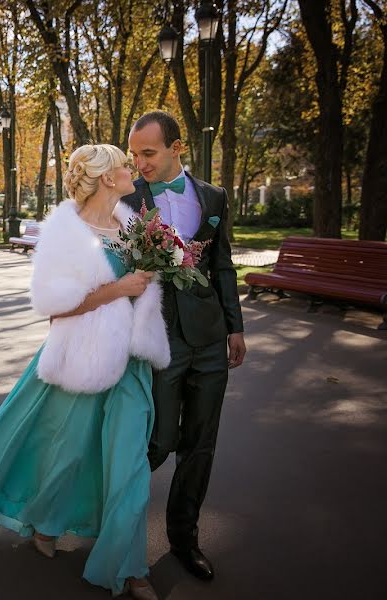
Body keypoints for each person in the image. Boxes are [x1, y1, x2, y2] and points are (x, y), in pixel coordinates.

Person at [0, 144, 168, 599]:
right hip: (86, 357)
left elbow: (145, 284)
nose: (131, 170)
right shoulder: (64, 232)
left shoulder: (133, 223)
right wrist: (117, 289)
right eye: (123, 165)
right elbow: (55, 310)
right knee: (66, 456)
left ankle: (130, 567)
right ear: (105, 177)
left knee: (130, 466)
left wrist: (156, 274)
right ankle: (45, 522)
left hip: (133, 361)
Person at [123, 111, 246, 582]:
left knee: (200, 445)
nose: (140, 164)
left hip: (211, 338)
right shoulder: (127, 198)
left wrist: (235, 327)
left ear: (177, 148)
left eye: (148, 153)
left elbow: (223, 265)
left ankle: (184, 539)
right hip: (158, 338)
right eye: (134, 154)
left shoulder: (214, 197)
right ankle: (113, 525)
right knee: (157, 442)